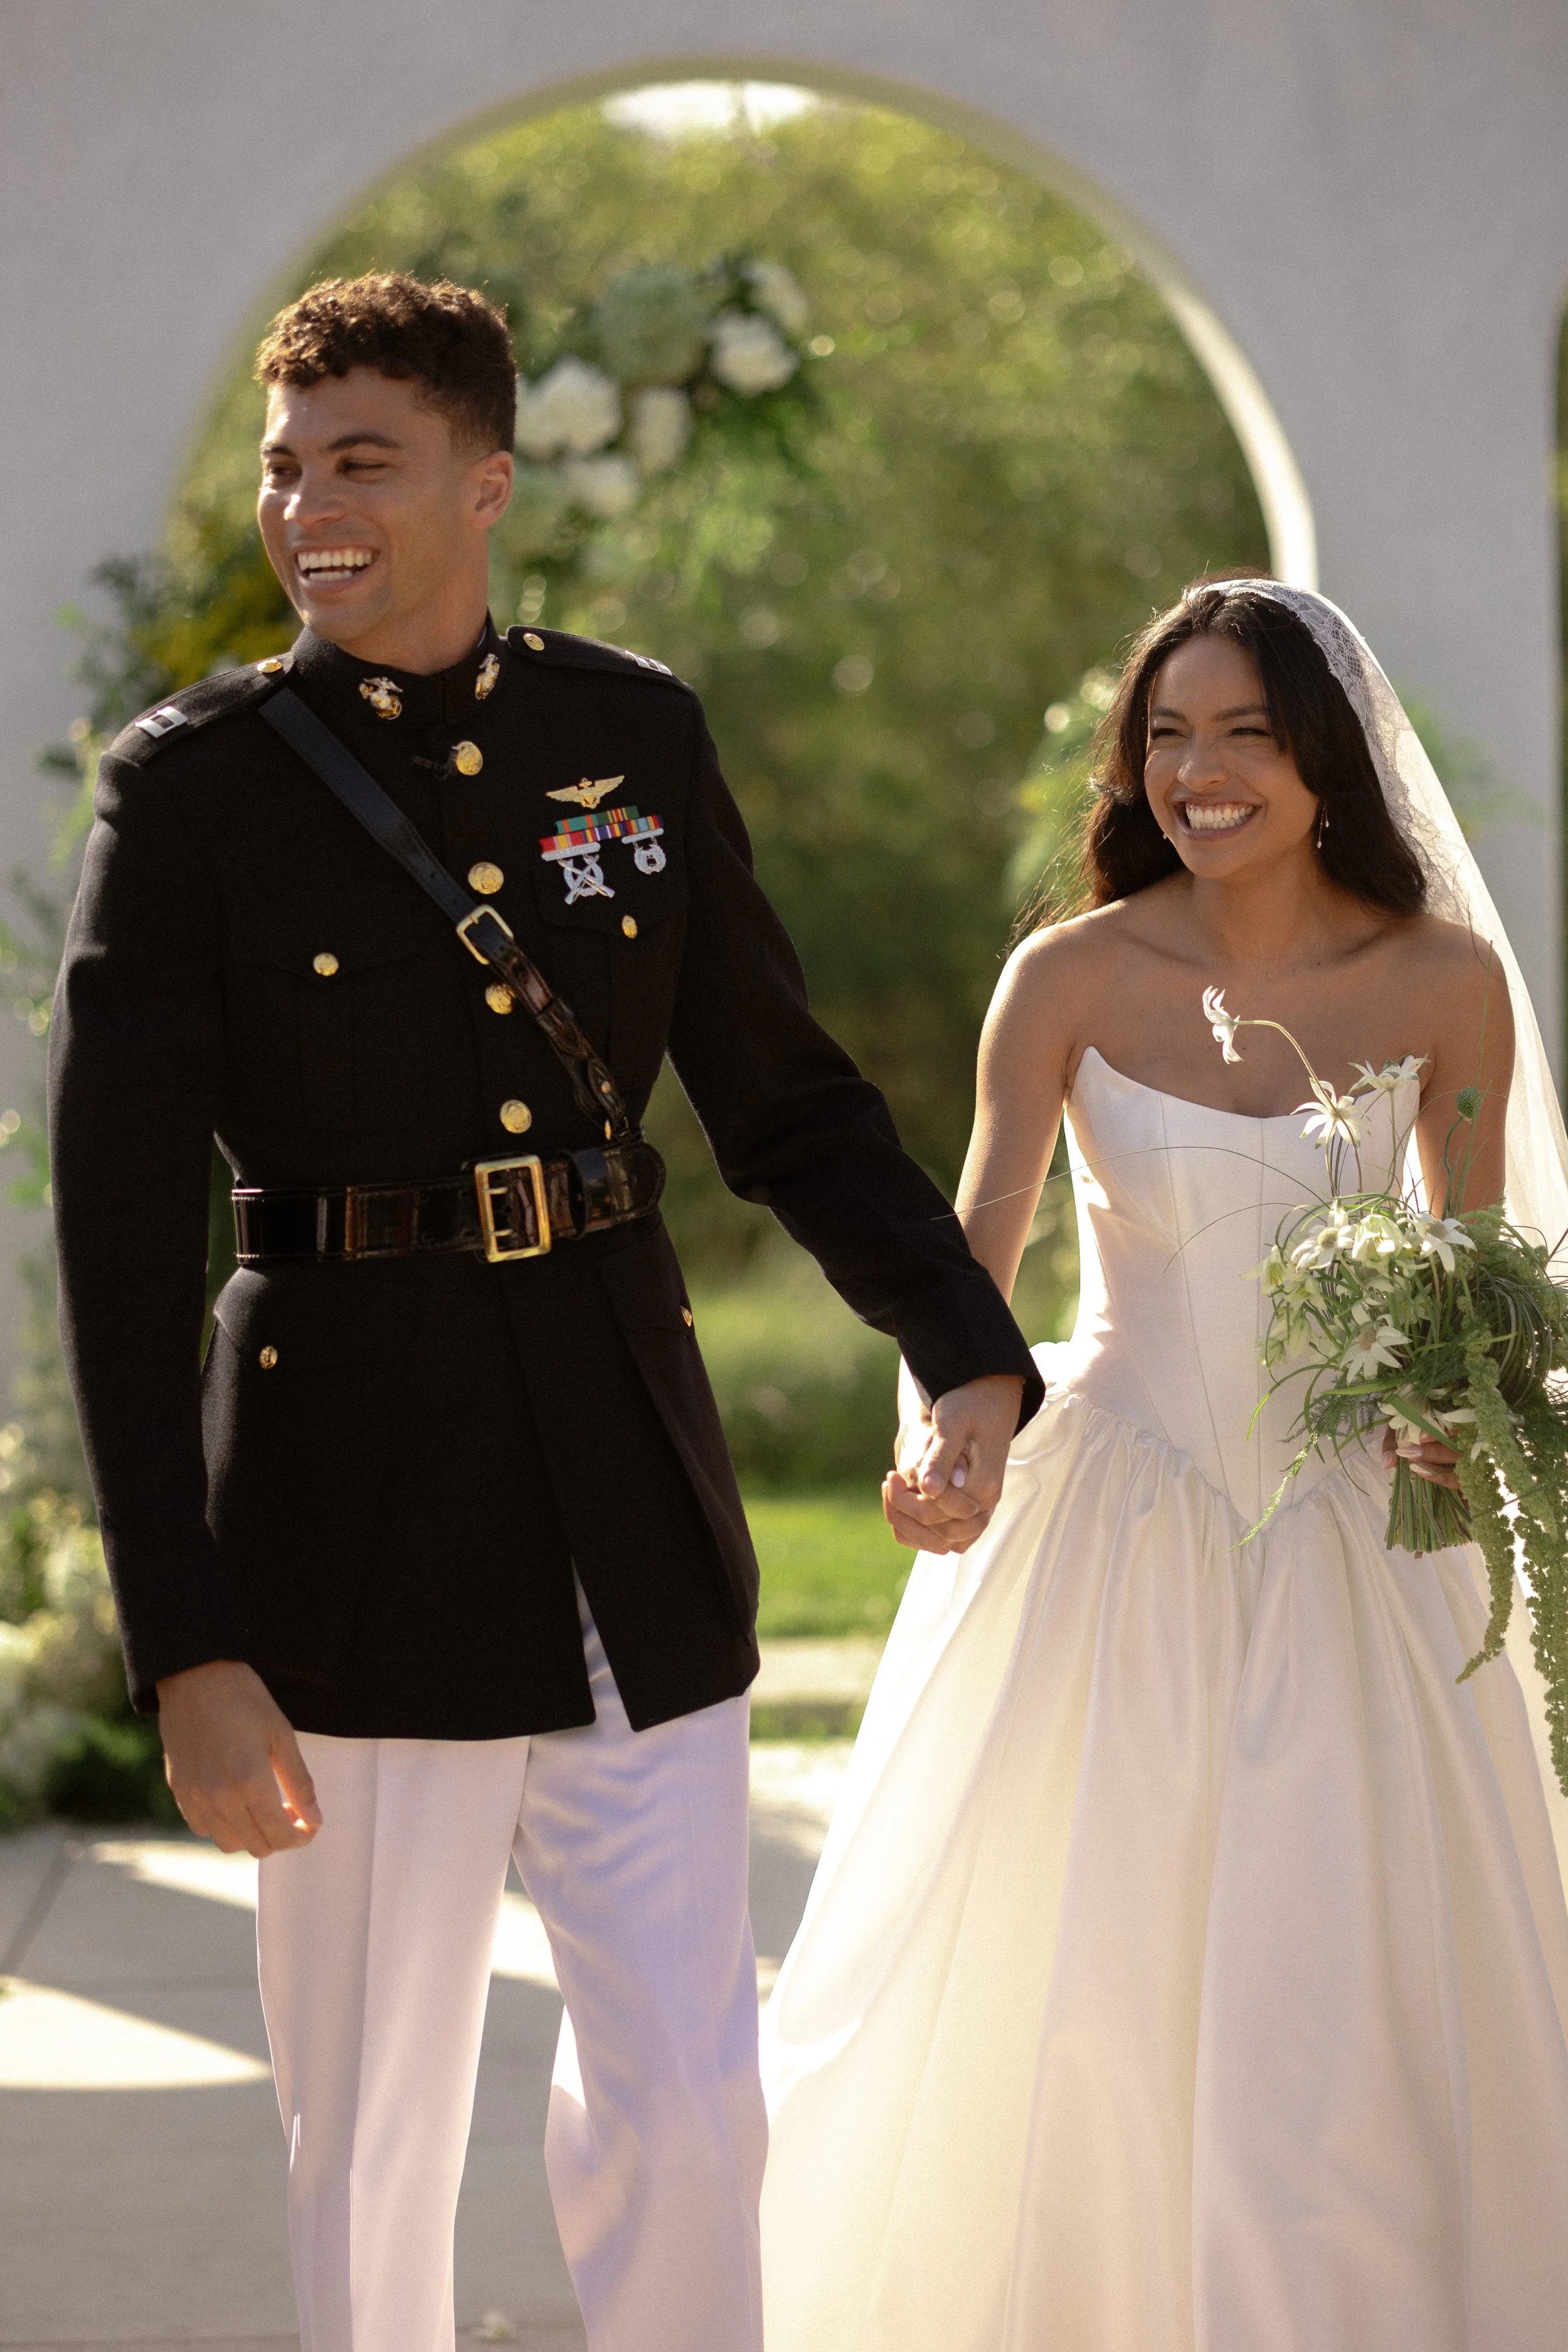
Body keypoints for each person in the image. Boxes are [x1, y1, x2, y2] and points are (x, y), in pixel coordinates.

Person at [46, 272, 1042, 2352]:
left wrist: (963, 1342)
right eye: (285, 466)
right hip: (346, 1513)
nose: (308, 505)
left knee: (691, 2099)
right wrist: (188, 1638)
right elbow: (119, 1237)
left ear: (486, 482)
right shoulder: (196, 787)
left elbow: (779, 1095)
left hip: (623, 1483)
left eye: (363, 461)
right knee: (375, 2122)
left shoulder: (626, 735)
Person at [760, 579, 1568, 2351]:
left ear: (1325, 758)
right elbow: (969, 1260)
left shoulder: (1442, 983)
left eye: (1245, 734)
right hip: (1113, 1519)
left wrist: (1458, 1402)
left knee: (1335, 1998)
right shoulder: (1065, 974)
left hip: (1361, 1530)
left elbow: (1474, 1261)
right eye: (1167, 735)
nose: (1198, 773)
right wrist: (943, 1435)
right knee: (1082, 1993)